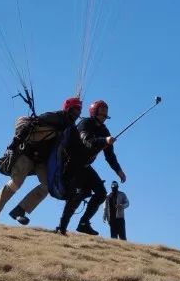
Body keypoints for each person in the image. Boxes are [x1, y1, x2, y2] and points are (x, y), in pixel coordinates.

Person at [0, 97, 82, 225]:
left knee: (48, 185)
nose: (77, 114)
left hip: (42, 160)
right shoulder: (53, 117)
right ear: (68, 109)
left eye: (79, 111)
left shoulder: (71, 129)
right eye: (75, 110)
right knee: (16, 183)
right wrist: (16, 142)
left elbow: (77, 148)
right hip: (27, 154)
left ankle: (20, 210)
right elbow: (31, 124)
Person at [54, 99, 126, 236]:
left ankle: (83, 223)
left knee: (100, 193)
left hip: (85, 167)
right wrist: (104, 141)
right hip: (72, 165)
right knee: (77, 195)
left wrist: (119, 171)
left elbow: (109, 155)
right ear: (94, 112)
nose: (104, 117)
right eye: (101, 113)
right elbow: (87, 142)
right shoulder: (85, 123)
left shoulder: (104, 130)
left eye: (105, 114)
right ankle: (62, 228)